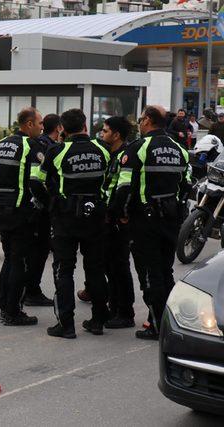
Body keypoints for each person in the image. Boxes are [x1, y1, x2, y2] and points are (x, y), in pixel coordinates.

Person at [110, 106, 190, 340]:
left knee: (149, 274)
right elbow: (187, 185)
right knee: (166, 271)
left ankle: (156, 325)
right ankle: (170, 320)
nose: (139, 123)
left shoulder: (139, 148)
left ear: (148, 121)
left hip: (145, 221)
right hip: (171, 219)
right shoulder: (179, 149)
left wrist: (120, 214)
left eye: (142, 119)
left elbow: (124, 187)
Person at [38, 108, 110, 339]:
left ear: (62, 129)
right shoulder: (103, 150)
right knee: (96, 268)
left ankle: (66, 325)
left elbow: (36, 181)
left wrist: (51, 202)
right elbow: (113, 182)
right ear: (85, 126)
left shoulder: (57, 151)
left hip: (65, 219)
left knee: (64, 269)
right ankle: (98, 320)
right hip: (96, 217)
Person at [0, 107, 50, 326]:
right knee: (20, 262)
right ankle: (13, 311)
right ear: (28, 124)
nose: (42, 127)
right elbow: (36, 181)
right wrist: (47, 202)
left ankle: (4, 306)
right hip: (22, 213)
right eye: (40, 123)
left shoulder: (0, 144)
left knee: (10, 259)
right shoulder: (31, 146)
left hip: (3, 210)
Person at [98, 116, 136, 329]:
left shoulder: (125, 155)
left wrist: (117, 214)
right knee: (109, 265)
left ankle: (125, 312)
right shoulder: (109, 154)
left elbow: (123, 189)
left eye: (105, 131)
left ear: (117, 134)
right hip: (108, 217)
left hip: (117, 220)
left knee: (119, 266)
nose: (102, 134)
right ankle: (114, 307)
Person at [23, 114, 62, 307]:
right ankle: (31, 290)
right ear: (59, 128)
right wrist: (50, 203)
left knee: (37, 250)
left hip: (35, 206)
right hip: (39, 208)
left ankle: (30, 289)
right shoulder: (43, 147)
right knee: (38, 250)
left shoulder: (41, 144)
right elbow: (38, 181)